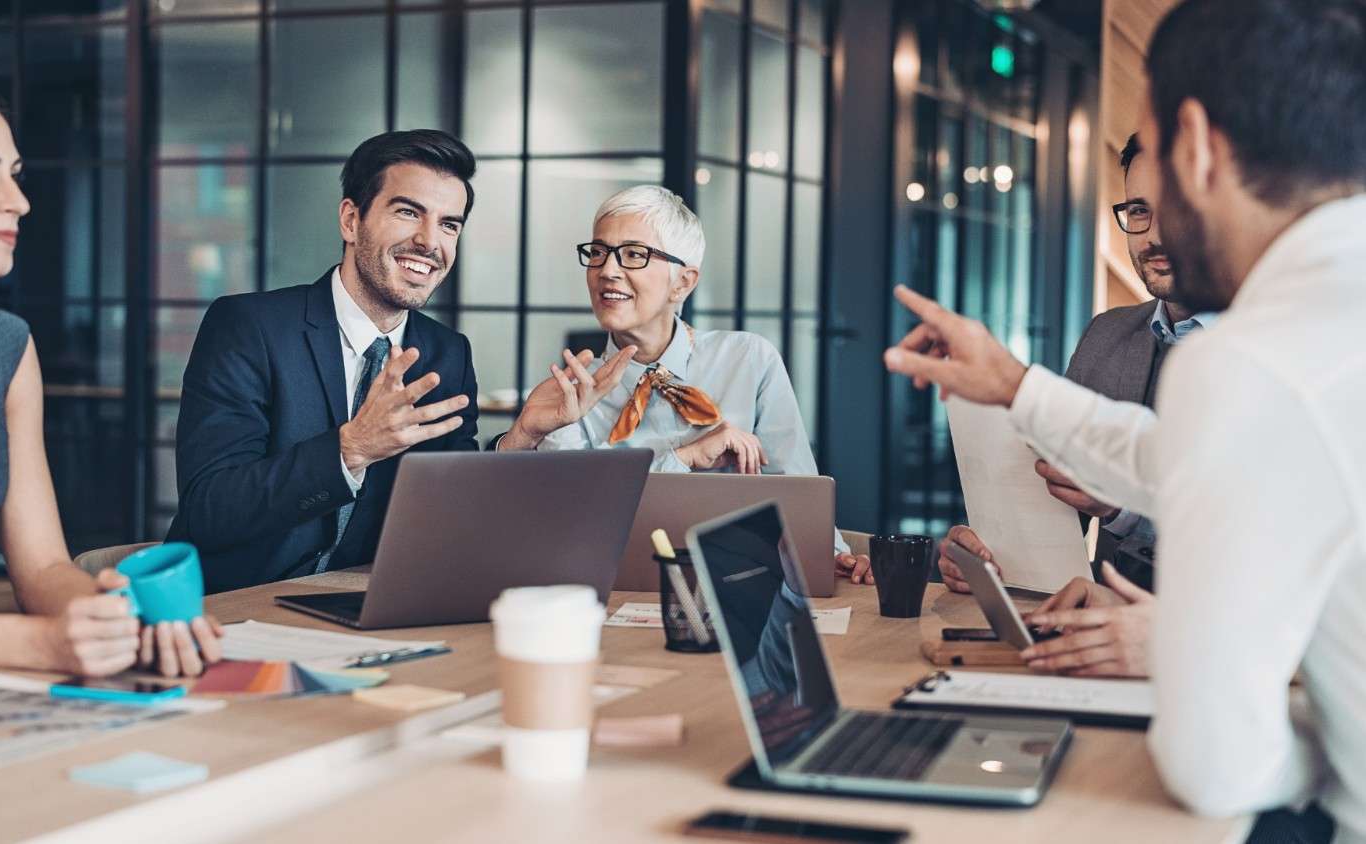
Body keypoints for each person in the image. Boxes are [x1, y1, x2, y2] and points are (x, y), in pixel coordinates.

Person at [883, 0, 1365, 838]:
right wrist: (1013, 386)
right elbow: (1203, 461)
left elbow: (1217, 766)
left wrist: (1329, 750)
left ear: (1198, 145)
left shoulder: (1255, 360)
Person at [0, 73, 218, 678]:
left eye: (14, 173)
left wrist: (119, 617)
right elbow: (32, 635)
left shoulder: (3, 348)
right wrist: (35, 645)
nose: (17, 201)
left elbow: (43, 570)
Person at [938, 132, 1217, 679]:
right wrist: (987, 556)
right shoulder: (1108, 335)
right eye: (1139, 210)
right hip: (1094, 642)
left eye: (1177, 209)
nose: (1154, 234)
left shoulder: (1278, 357)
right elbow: (1052, 505)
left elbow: (1257, 534)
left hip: (1218, 663)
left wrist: (1123, 506)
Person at [494, 185, 871, 582]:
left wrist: (831, 554)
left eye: (634, 255)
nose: (607, 270)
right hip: (616, 596)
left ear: (683, 282)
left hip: (742, 585)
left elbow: (796, 489)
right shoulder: (570, 393)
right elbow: (585, 524)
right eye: (599, 252)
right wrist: (688, 458)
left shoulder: (747, 359)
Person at [168, 130, 480, 593]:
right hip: (233, 609)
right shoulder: (250, 327)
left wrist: (522, 438)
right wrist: (351, 448)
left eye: (449, 224)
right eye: (408, 212)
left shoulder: (446, 352)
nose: (429, 241)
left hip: (364, 609)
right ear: (351, 221)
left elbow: (448, 512)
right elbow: (210, 509)